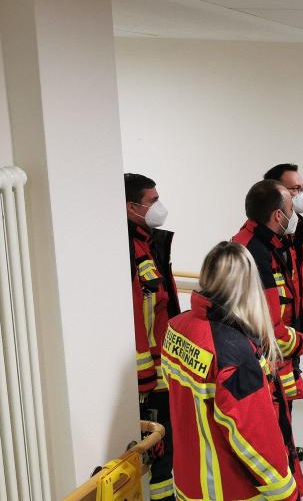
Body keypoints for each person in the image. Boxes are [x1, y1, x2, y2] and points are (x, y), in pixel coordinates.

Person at [162, 242, 300, 501]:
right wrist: (287, 492)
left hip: (187, 482)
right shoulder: (234, 353)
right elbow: (255, 437)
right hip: (229, 490)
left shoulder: (176, 326)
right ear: (247, 284)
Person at [232, 179, 303, 494]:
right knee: (275, 437)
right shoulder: (256, 252)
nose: (294, 213)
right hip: (267, 363)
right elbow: (270, 326)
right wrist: (300, 342)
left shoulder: (260, 242)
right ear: (278, 215)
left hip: (272, 361)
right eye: (290, 207)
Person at [124, 172, 178, 501]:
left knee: (165, 446)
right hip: (147, 374)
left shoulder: (149, 243)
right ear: (132, 207)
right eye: (153, 201)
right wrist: (144, 375)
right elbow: (133, 314)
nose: (160, 206)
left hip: (160, 367)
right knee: (156, 448)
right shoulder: (128, 249)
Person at [263, 163, 303, 393]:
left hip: (295, 330)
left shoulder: (301, 229)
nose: (302, 195)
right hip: (272, 338)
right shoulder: (260, 241)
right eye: (295, 189)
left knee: (288, 399)